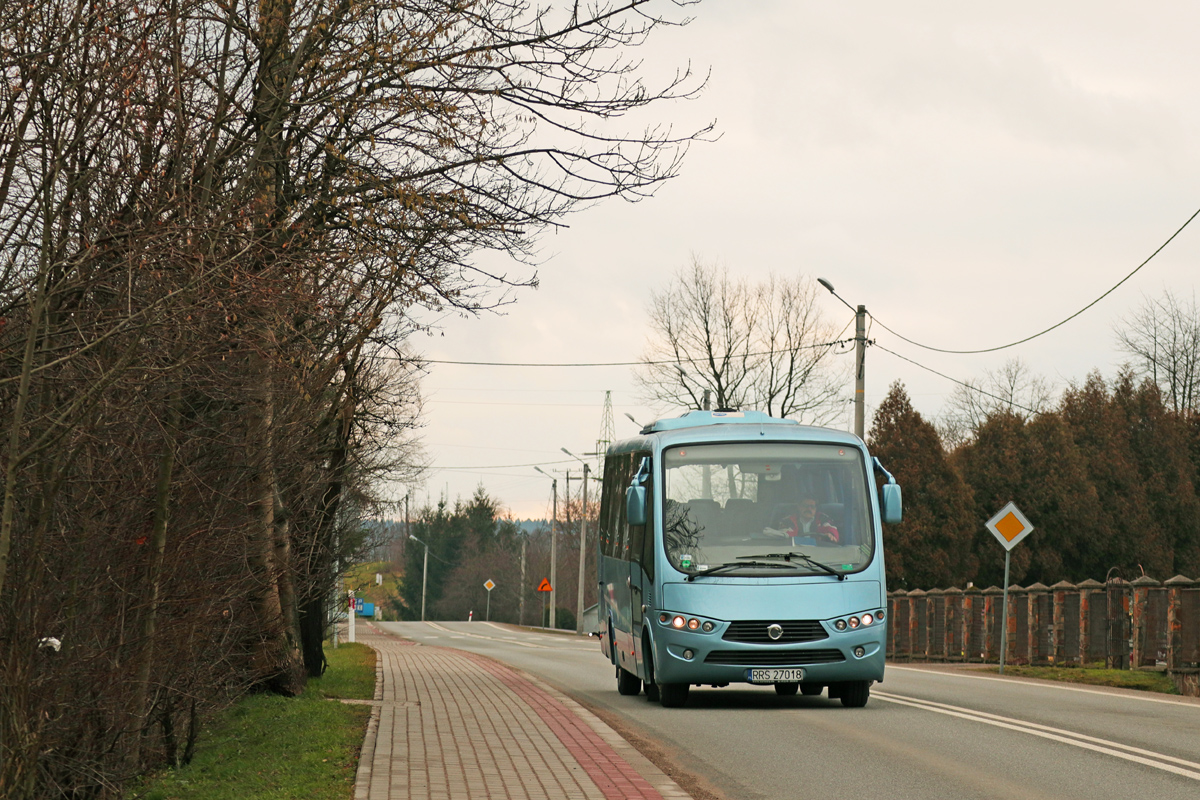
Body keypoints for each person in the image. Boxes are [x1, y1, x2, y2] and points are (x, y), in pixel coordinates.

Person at [767, 498, 838, 544]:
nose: (808, 509)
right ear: (799, 507)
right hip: (794, 553)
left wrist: (830, 534)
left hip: (818, 553)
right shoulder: (788, 520)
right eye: (805, 506)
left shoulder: (823, 518)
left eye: (812, 506)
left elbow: (831, 529)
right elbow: (784, 534)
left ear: (816, 509)